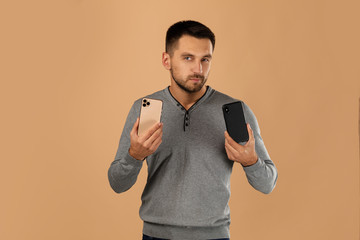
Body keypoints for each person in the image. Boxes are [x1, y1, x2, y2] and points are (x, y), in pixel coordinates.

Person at [108, 20, 278, 240]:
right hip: (156, 235)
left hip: (214, 236)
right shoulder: (143, 109)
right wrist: (134, 157)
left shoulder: (235, 111)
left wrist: (251, 161)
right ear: (166, 60)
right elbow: (117, 184)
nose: (198, 69)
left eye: (205, 59)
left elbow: (268, 184)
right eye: (188, 58)